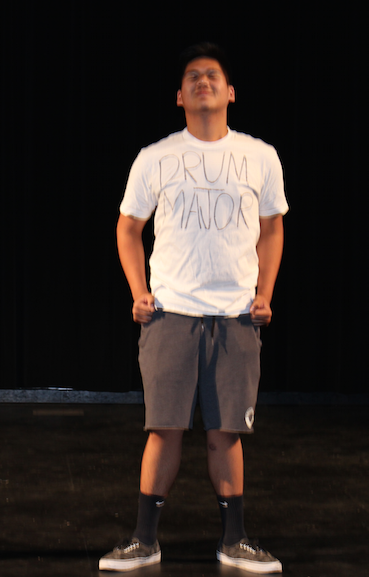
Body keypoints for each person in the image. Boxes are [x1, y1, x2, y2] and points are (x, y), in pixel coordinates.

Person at [99, 43, 288, 573]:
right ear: (179, 97)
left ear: (230, 92)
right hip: (171, 313)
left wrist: (264, 292)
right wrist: (139, 290)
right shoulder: (155, 156)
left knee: (225, 432)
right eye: (192, 78)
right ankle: (144, 540)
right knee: (164, 429)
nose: (202, 81)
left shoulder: (260, 156)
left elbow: (272, 229)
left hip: (234, 314)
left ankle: (235, 540)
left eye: (212, 76)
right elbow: (128, 228)